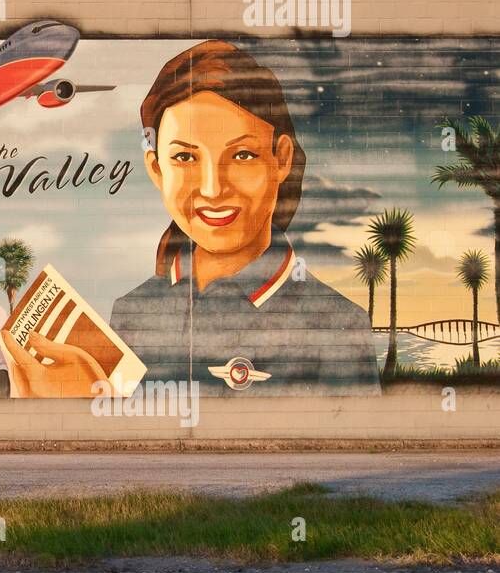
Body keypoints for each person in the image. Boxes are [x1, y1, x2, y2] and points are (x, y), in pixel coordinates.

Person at [109, 40, 380, 396]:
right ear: (156, 169)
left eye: (242, 155)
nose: (212, 189)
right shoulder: (131, 314)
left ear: (281, 159)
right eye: (185, 159)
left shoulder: (338, 325)